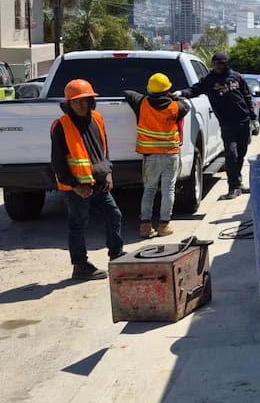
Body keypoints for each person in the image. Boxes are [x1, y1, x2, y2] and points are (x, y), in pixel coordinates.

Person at [50, 78, 124, 281]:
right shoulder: (61, 126)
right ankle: (80, 266)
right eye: (76, 101)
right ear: (68, 104)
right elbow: (57, 162)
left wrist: (108, 172)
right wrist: (74, 185)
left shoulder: (97, 118)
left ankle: (117, 256)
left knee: (114, 214)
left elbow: (104, 149)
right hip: (78, 187)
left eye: (85, 100)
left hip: (99, 181)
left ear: (92, 100)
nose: (81, 105)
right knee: (78, 225)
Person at [178, 51, 258, 198]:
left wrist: (254, 119)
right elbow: (194, 90)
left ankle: (238, 183)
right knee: (231, 154)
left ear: (226, 64)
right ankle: (232, 187)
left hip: (243, 121)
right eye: (215, 64)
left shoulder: (236, 77)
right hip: (227, 124)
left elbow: (247, 96)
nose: (217, 66)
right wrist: (180, 93)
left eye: (220, 64)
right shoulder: (209, 80)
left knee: (241, 154)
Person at [124, 72, 190, 238]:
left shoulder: (142, 103)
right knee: (168, 189)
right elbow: (186, 105)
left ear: (150, 90)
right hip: (170, 155)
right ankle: (164, 225)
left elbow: (127, 93)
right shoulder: (176, 107)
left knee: (149, 189)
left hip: (150, 155)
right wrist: (174, 97)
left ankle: (145, 226)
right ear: (168, 90)